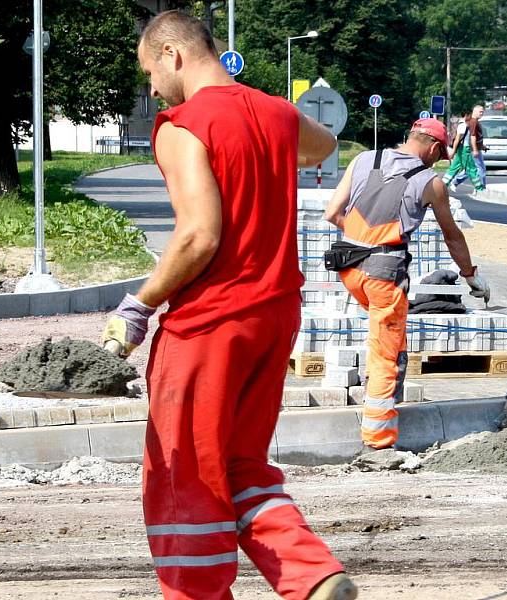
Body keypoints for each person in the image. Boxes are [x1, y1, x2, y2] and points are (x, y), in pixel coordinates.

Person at [102, 11, 356, 600]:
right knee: (241, 466)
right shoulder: (276, 112)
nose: (152, 89)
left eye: (149, 73)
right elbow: (324, 147)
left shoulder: (182, 125)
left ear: (171, 53)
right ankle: (311, 574)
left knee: (184, 476)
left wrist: (138, 305)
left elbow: (198, 236)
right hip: (274, 317)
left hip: (208, 325)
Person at [324, 118, 491, 451]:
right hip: (384, 274)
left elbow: (332, 213)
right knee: (385, 351)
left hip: (349, 267)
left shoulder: (363, 159)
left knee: (390, 337)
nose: (438, 160)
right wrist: (470, 274)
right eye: (440, 154)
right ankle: (379, 440)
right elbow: (452, 235)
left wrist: (363, 240)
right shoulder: (430, 182)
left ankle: (384, 398)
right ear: (432, 147)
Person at [441, 110, 484, 193]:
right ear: (467, 115)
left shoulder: (464, 125)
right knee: (471, 169)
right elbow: (457, 139)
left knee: (454, 168)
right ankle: (479, 188)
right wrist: (453, 152)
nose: (471, 117)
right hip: (465, 149)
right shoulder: (463, 125)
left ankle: (443, 185)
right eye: (470, 115)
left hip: (462, 149)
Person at [452, 104, 488, 189]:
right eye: (480, 111)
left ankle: (455, 181)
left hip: (476, 149)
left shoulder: (475, 122)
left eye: (483, 111)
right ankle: (481, 187)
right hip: (474, 150)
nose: (482, 113)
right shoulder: (474, 122)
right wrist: (475, 150)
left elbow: (478, 137)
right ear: (474, 112)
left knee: (471, 169)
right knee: (481, 168)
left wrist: (482, 146)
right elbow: (472, 136)